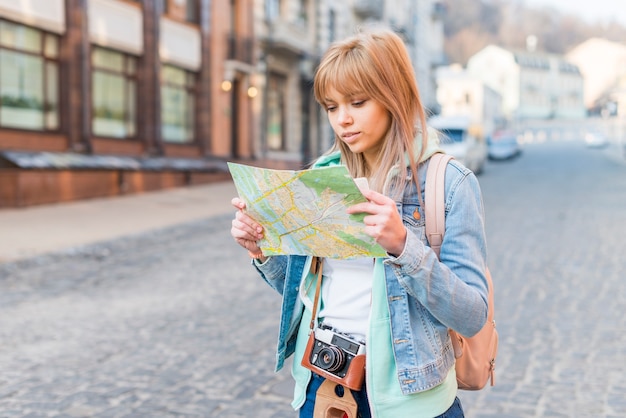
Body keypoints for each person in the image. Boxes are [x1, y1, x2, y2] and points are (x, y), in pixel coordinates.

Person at [230, 27, 488, 418]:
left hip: (410, 399)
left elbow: (472, 314)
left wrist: (404, 246)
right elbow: (304, 292)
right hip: (324, 386)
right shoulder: (321, 178)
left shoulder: (448, 184)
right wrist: (262, 249)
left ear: (392, 97)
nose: (343, 120)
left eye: (357, 102)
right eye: (332, 107)